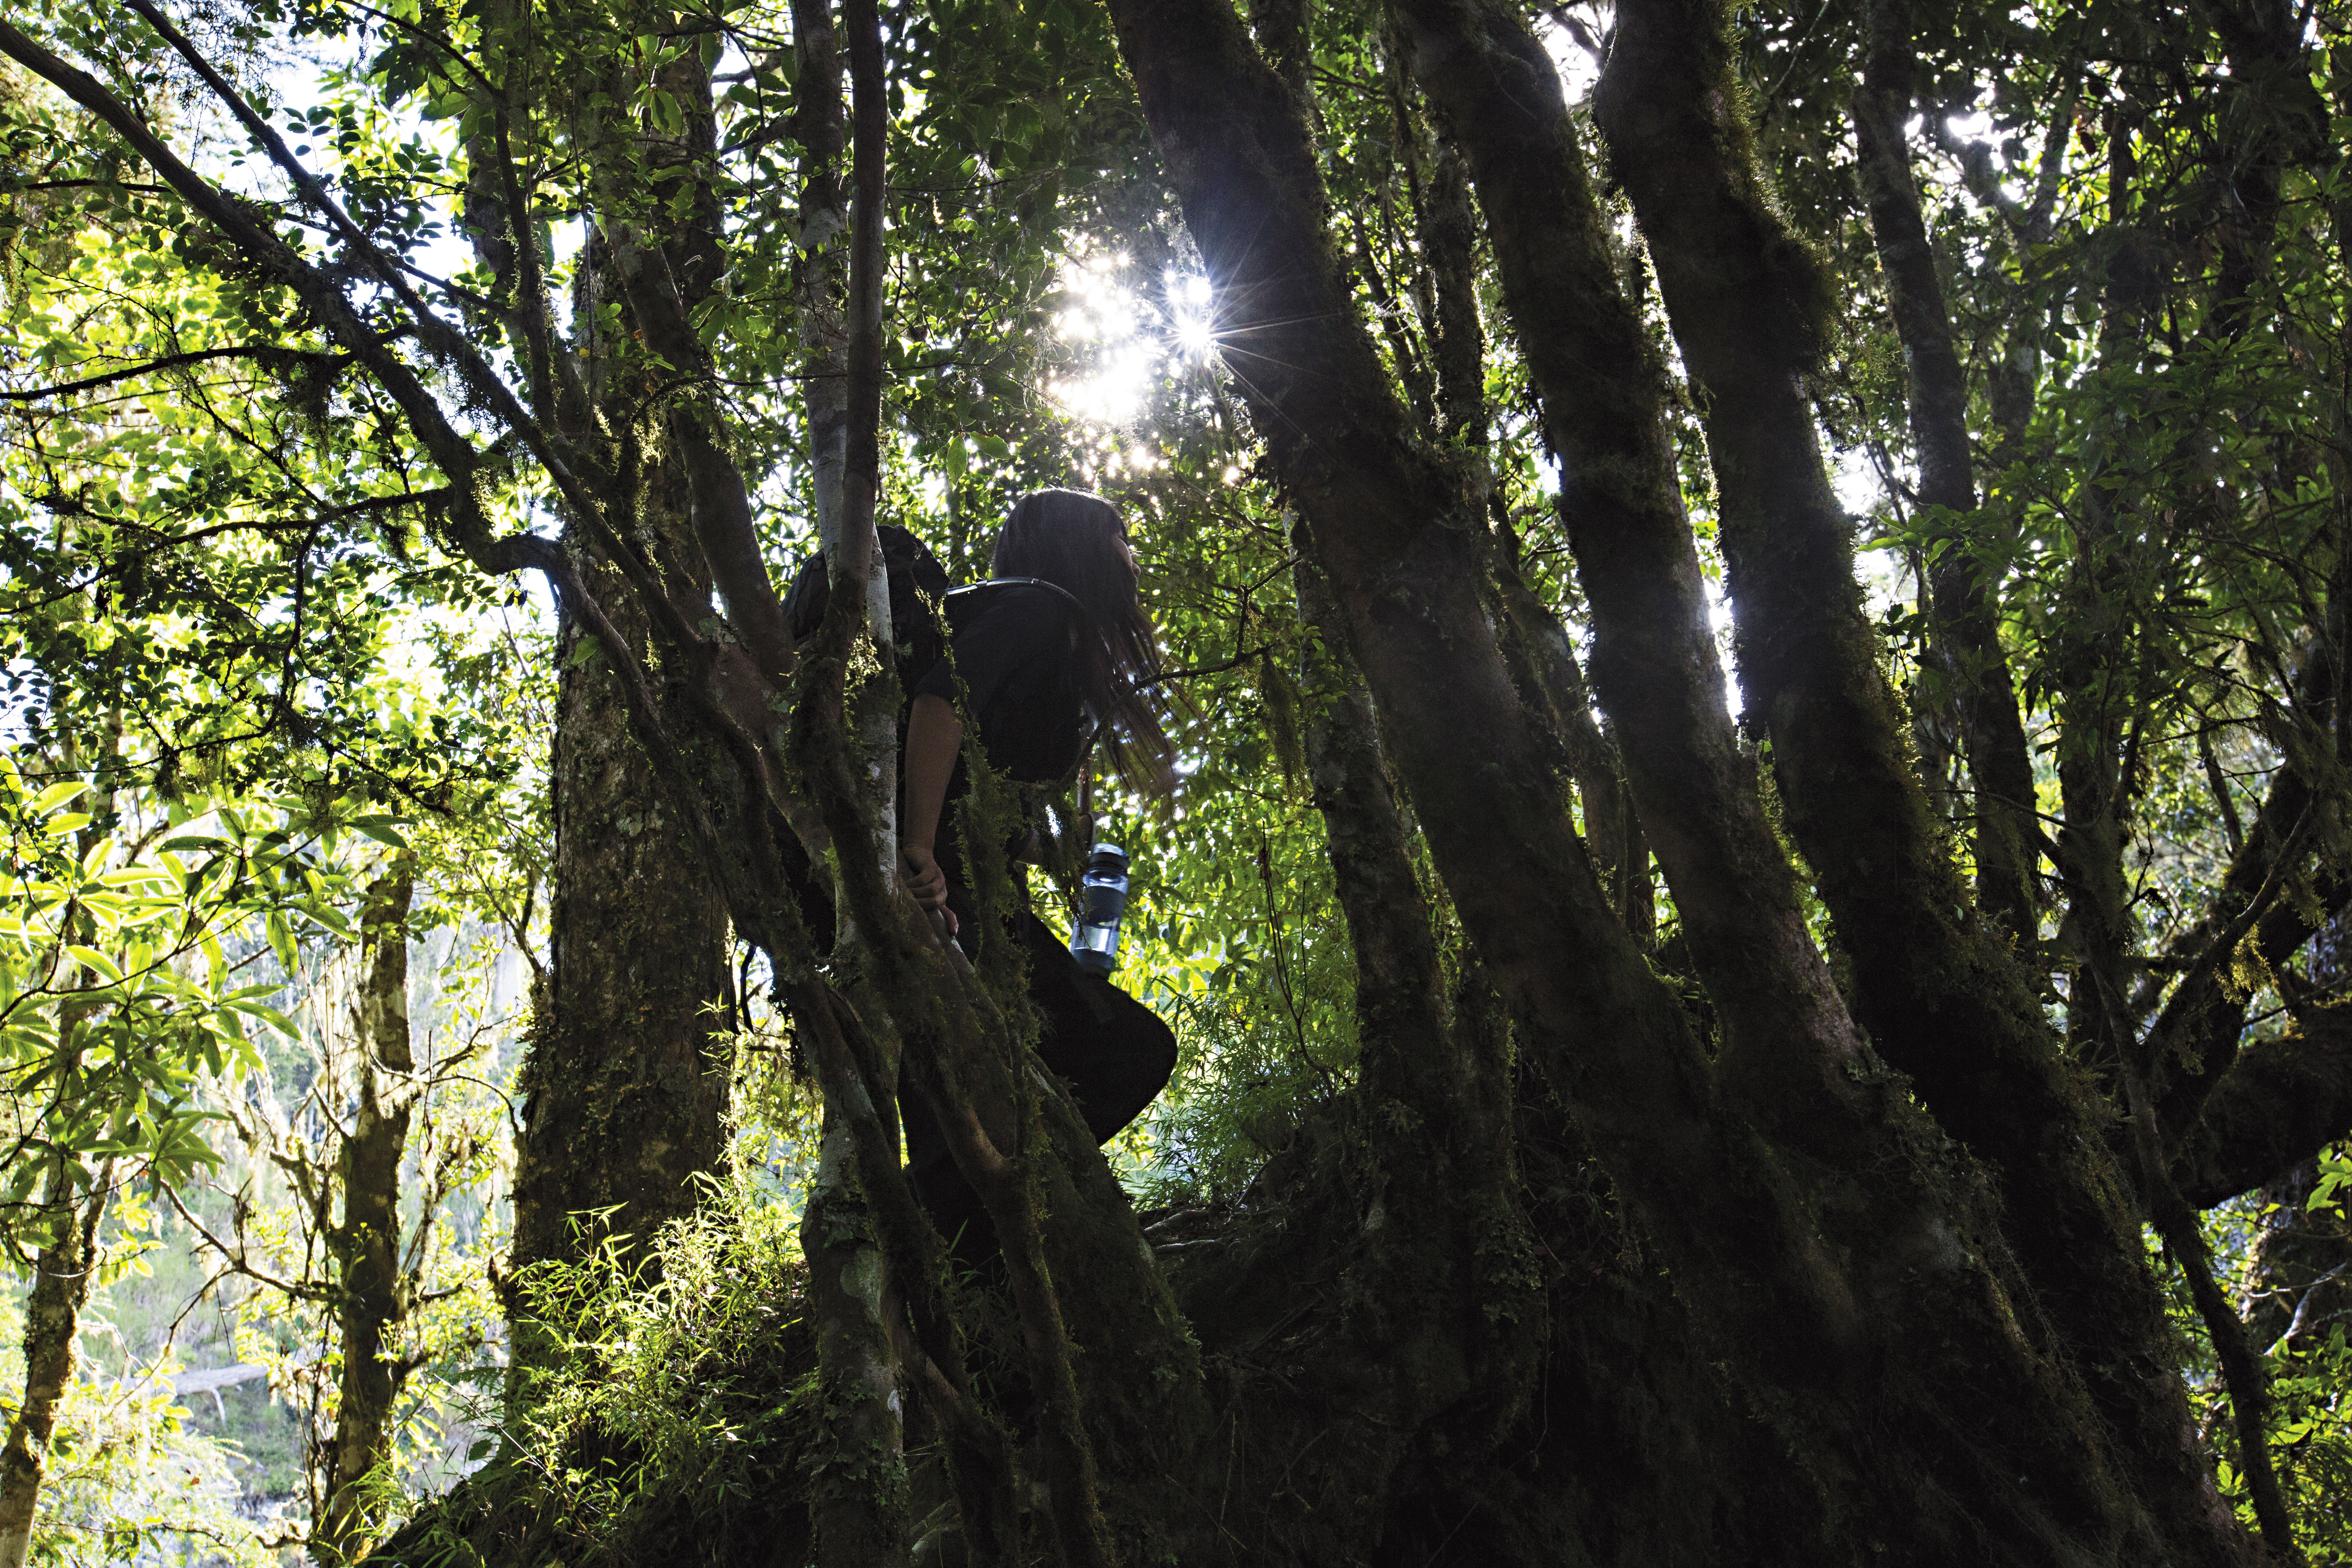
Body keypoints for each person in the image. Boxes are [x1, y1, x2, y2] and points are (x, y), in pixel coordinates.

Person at [896, 489, 1181, 1267]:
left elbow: (987, 780)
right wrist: (915, 855)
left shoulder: (1033, 622)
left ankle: (965, 1270)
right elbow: (938, 702)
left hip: (964, 898)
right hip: (936, 897)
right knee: (1125, 1055)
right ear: (1079, 548)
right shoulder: (1037, 608)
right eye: (1119, 539)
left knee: (954, 1106)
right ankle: (923, 1224)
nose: (1131, 558)